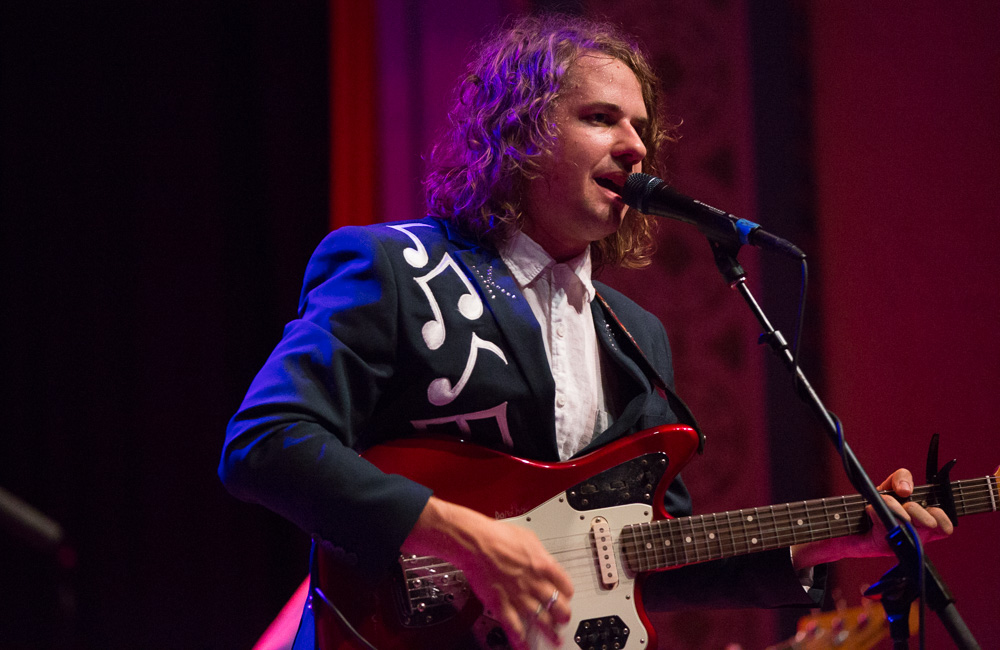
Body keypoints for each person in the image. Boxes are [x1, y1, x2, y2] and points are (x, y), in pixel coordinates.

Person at [220, 14, 953, 650]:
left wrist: (830, 537)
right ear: (520, 131)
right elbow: (265, 441)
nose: (637, 146)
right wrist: (461, 534)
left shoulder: (635, 336)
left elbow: (643, 555)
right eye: (602, 118)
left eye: (642, 126)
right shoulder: (396, 266)